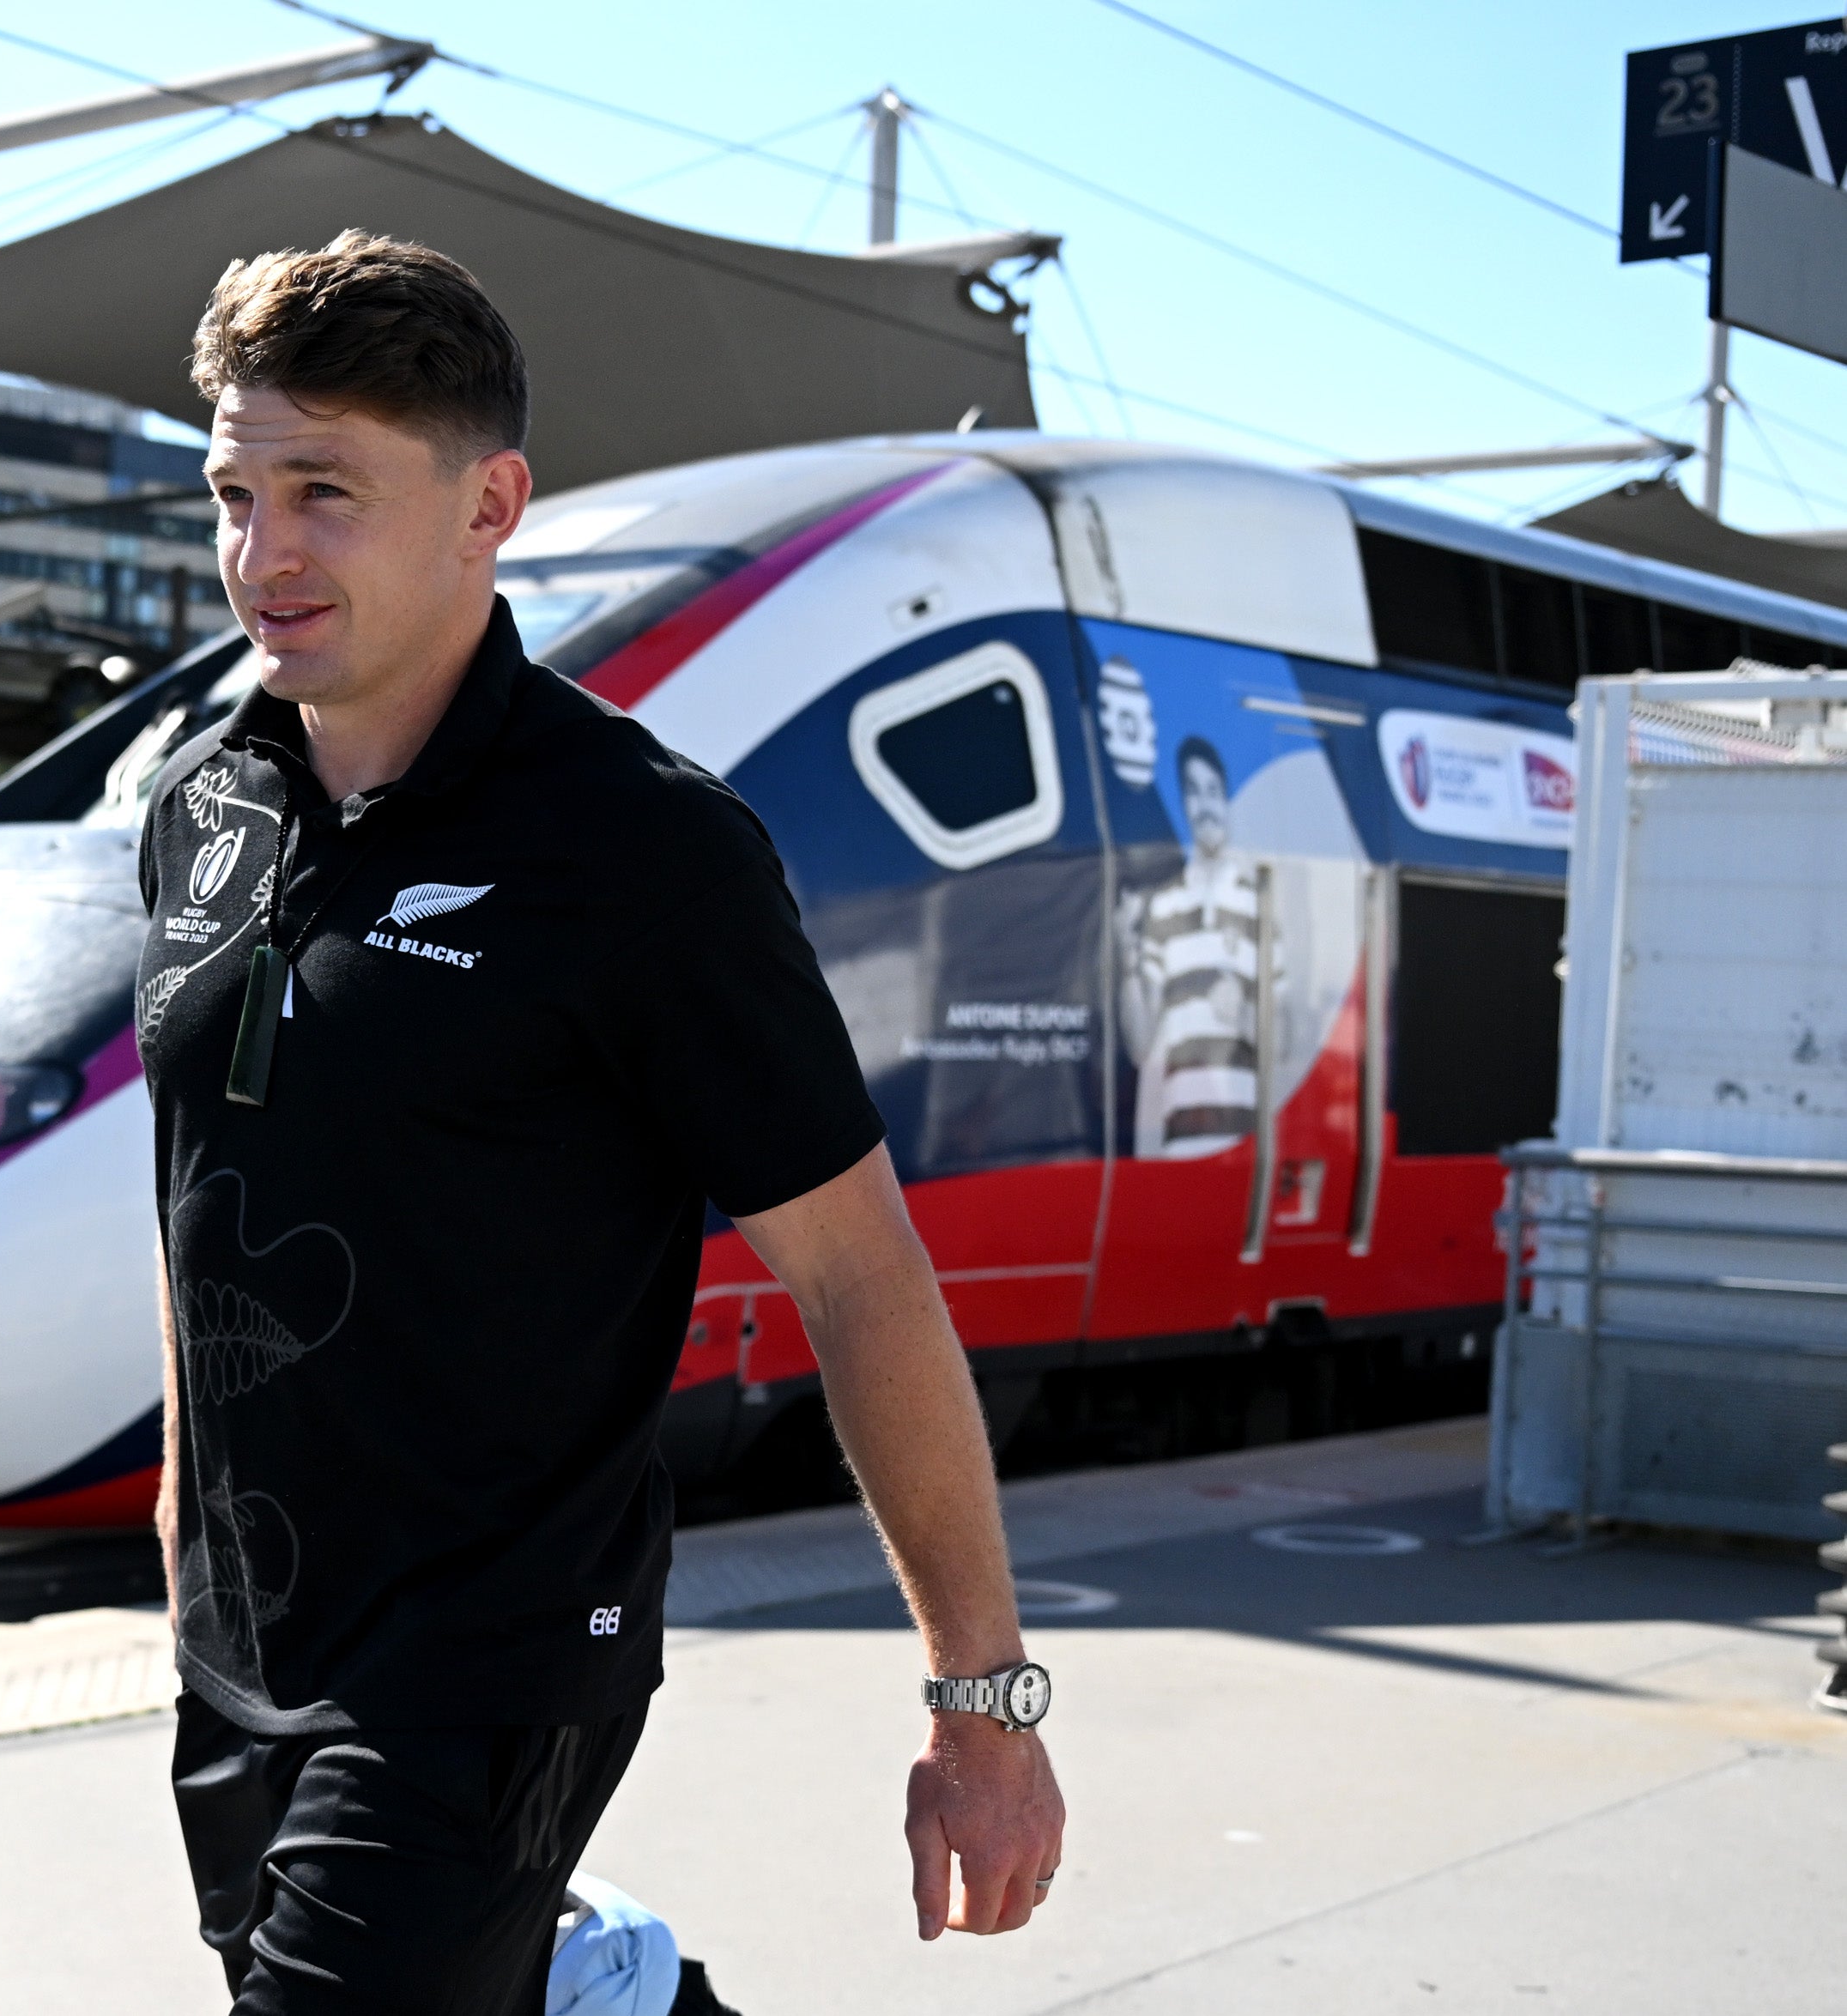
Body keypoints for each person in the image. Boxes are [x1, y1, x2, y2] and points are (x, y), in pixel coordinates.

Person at [136, 230, 1066, 2014]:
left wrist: (979, 1701)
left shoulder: (637, 853)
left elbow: (859, 1274)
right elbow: (203, 1181)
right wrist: (185, 1499)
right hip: (238, 1632)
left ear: (487, 503)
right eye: (233, 492)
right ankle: (612, 1993)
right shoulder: (197, 808)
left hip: (486, 1656)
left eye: (322, 490)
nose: (262, 553)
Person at [1116, 734, 1263, 1159]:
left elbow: (1286, 1042)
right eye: (1193, 793)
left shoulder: (1258, 905)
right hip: (1181, 1144)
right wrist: (1128, 963)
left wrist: (1247, 1014)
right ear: (1184, 803)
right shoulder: (1163, 907)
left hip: (1245, 1147)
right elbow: (1141, 1044)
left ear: (1227, 801)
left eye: (1213, 791)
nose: (1204, 806)